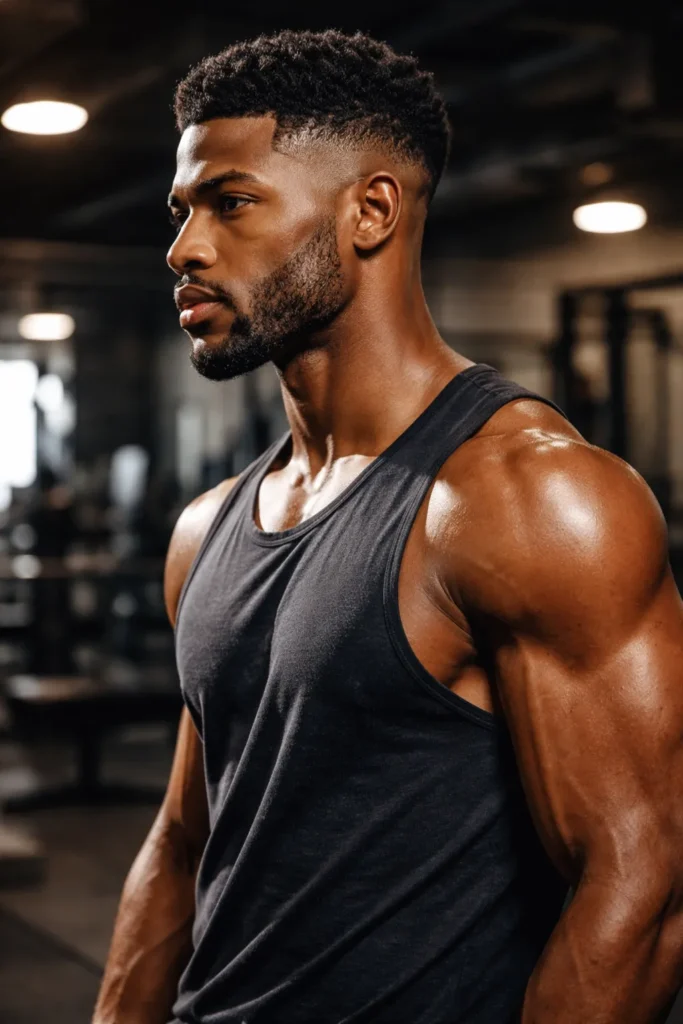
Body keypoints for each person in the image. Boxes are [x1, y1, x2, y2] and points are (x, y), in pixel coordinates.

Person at [94, 30, 683, 1024]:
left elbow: (641, 889)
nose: (183, 247)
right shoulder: (207, 526)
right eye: (181, 210)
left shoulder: (525, 498)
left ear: (370, 211)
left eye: (230, 203)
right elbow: (185, 840)